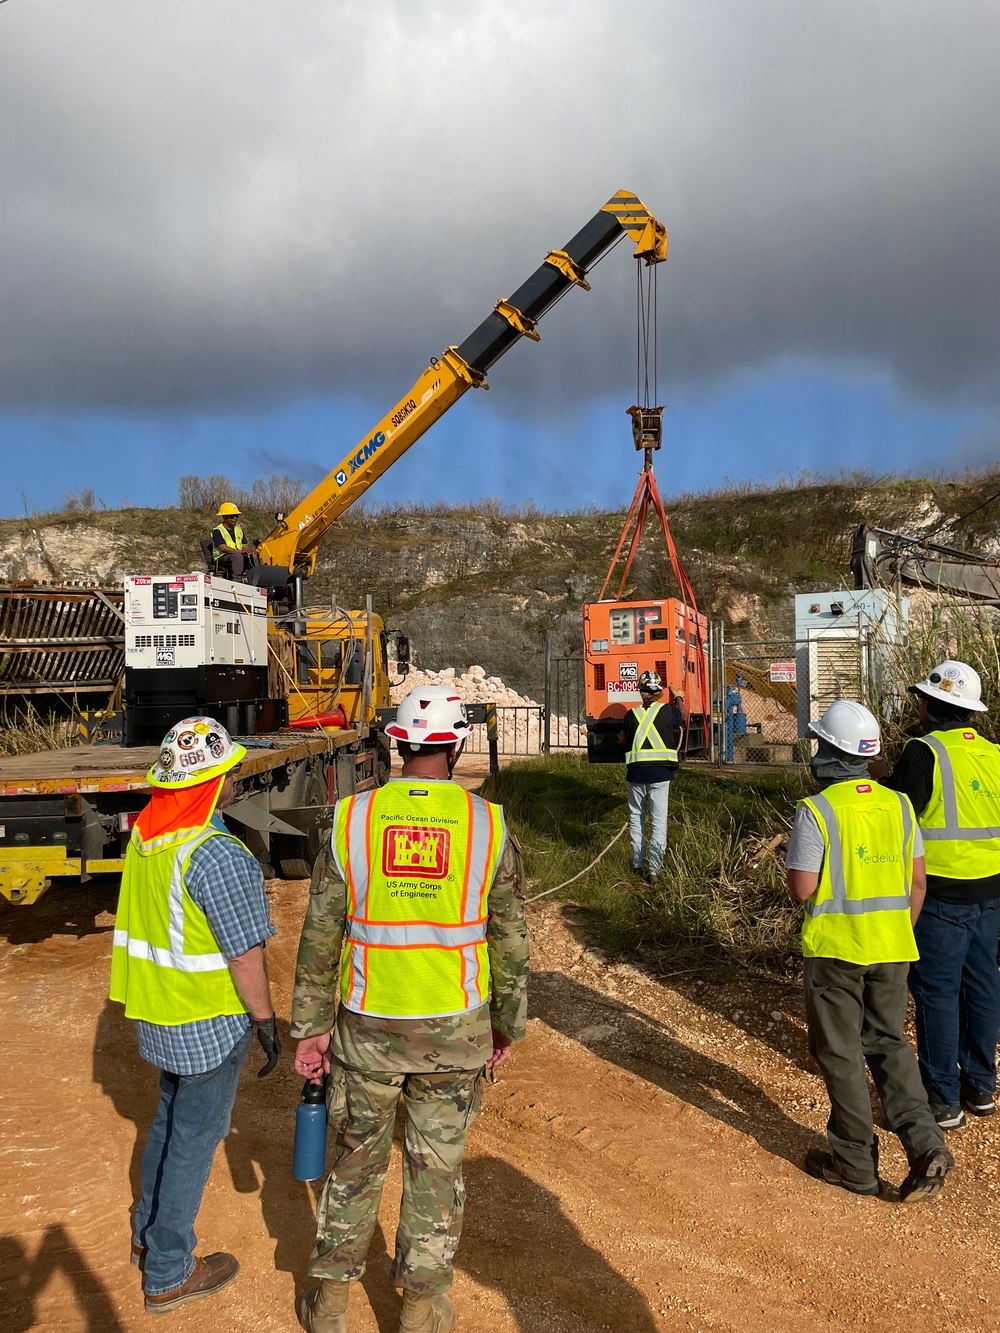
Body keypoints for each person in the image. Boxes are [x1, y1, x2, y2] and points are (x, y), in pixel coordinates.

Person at [292, 684, 529, 1333]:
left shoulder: (352, 818)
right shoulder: (488, 824)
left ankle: (331, 1305)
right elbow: (510, 936)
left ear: (395, 744)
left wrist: (310, 1028)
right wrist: (507, 1020)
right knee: (436, 1167)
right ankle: (421, 1310)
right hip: (455, 1029)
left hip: (367, 1024)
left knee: (355, 1160)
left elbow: (320, 932)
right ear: (457, 743)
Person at [109, 717, 281, 1314]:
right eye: (228, 767)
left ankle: (146, 1233)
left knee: (167, 1123)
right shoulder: (217, 854)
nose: (235, 774)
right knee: (194, 1139)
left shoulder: (150, 837)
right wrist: (265, 1021)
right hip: (208, 1021)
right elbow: (243, 953)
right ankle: (168, 1270)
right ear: (214, 781)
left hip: (158, 1014)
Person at [786, 699, 952, 1202]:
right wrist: (897, 932)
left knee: (840, 1053)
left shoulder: (818, 811)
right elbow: (918, 883)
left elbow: (802, 888)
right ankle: (926, 1145)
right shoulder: (899, 805)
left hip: (836, 952)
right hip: (893, 947)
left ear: (831, 753)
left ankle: (855, 1164)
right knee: (891, 1046)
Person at [880, 660, 1000, 1129]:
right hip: (991, 890)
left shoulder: (922, 752)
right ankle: (982, 1089)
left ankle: (943, 1100)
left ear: (935, 704)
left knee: (937, 992)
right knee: (983, 985)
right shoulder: (993, 753)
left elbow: (899, 813)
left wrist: (876, 777)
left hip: (942, 896)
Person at [619, 669, 679, 880]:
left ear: (641, 692)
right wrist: (678, 696)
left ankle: (637, 864)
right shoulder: (670, 711)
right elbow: (682, 717)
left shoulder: (630, 715)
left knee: (636, 818)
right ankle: (654, 869)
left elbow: (624, 740)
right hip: (661, 775)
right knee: (658, 821)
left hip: (636, 775)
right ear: (659, 691)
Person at [211, 501, 255, 580]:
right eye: (232, 516)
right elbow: (223, 548)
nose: (235, 518)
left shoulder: (238, 529)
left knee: (251, 556)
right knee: (237, 556)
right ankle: (237, 579)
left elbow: (244, 545)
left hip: (236, 555)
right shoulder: (218, 531)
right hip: (222, 558)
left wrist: (250, 552)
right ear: (224, 517)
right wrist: (239, 552)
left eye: (236, 516)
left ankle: (252, 577)